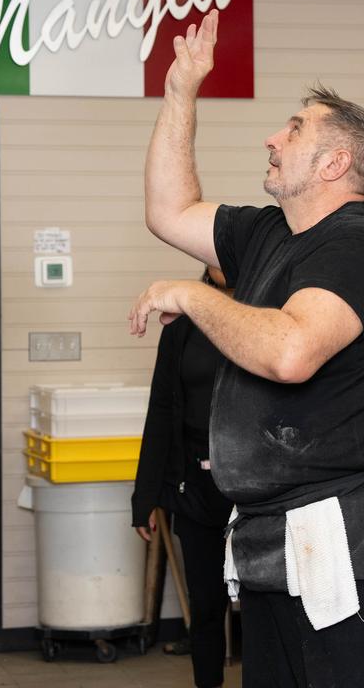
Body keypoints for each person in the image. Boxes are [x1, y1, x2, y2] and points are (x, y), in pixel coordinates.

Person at [128, 9, 364, 687]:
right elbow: (169, 211)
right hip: (276, 529)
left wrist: (194, 296)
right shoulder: (270, 234)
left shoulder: (361, 244)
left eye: (293, 130)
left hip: (343, 531)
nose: (272, 138)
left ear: (335, 163)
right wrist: (180, 93)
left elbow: (291, 352)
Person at [132, 266, 234, 688]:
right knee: (206, 606)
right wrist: (145, 495)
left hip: (257, 489)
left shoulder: (273, 308)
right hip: (195, 483)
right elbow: (162, 408)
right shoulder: (183, 321)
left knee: (267, 609)